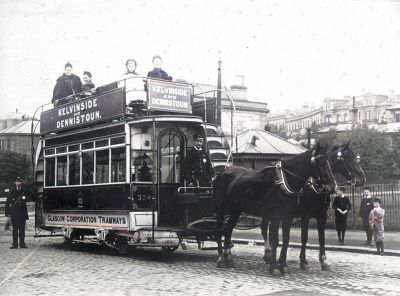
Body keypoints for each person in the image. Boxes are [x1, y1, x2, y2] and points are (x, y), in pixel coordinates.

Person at [5, 177, 30, 249]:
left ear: (21, 183)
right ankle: (14, 244)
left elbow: (30, 196)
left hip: (22, 214)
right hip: (14, 214)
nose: (18, 183)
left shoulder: (24, 191)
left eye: (20, 181)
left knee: (22, 230)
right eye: (17, 181)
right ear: (15, 183)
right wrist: (8, 215)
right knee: (15, 230)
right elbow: (7, 204)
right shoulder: (12, 192)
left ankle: (22, 244)